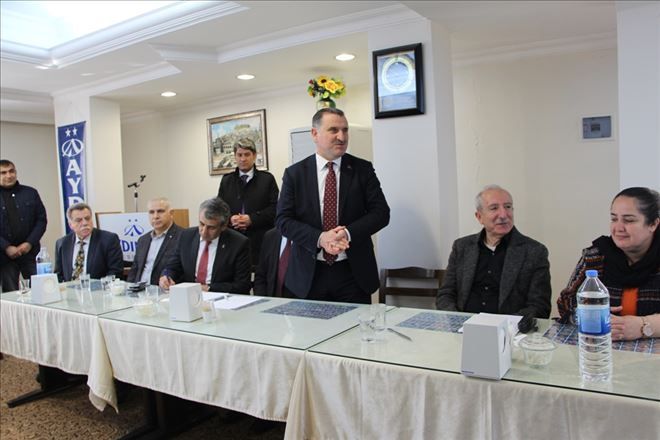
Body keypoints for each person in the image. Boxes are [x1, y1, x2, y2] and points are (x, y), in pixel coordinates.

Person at [276, 108, 390, 304]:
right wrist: (320, 238)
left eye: (345, 130)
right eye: (333, 130)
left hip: (353, 274)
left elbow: (381, 213)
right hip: (309, 275)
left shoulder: (362, 170)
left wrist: (347, 233)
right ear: (315, 134)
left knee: (356, 324)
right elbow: (282, 221)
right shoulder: (295, 174)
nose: (341, 137)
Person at [557, 187, 660, 340]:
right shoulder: (595, 256)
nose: (618, 228)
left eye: (629, 220)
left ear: (653, 224)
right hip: (602, 346)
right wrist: (587, 315)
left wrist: (643, 326)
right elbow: (565, 304)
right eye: (614, 219)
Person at [436, 185, 552, 318]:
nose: (503, 215)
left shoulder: (534, 251)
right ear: (479, 216)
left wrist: (505, 326)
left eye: (508, 207)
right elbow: (445, 294)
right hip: (463, 325)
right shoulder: (462, 247)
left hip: (509, 328)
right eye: (494, 208)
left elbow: (539, 307)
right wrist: (457, 320)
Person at [159, 197, 251, 294]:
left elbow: (242, 285)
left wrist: (208, 288)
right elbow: (173, 266)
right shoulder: (186, 236)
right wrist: (166, 276)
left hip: (220, 297)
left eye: (211, 228)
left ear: (223, 226)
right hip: (189, 296)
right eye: (202, 224)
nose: (204, 231)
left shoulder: (239, 243)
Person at [217, 138, 279, 268]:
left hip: (261, 240)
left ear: (254, 155)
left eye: (247, 154)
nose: (243, 159)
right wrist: (230, 219)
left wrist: (252, 219)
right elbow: (219, 210)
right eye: (239, 155)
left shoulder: (267, 179)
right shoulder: (226, 181)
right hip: (232, 240)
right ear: (235, 156)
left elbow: (275, 209)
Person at [0, 159, 47, 292]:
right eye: (3, 173)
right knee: (11, 294)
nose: (9, 175)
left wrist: (29, 243)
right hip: (4, 256)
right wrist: (6, 247)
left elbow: (41, 220)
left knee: (41, 290)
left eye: (11, 171)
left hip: (30, 252)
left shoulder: (30, 193)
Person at [54, 202, 123, 281]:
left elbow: (115, 272)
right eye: (79, 220)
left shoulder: (108, 240)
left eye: (87, 218)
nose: (85, 223)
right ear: (70, 225)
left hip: (99, 288)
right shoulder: (62, 243)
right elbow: (58, 275)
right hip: (69, 287)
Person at [127, 197, 183, 286]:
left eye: (160, 211)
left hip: (164, 291)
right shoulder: (143, 240)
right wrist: (129, 288)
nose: (155, 216)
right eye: (151, 212)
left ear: (171, 213)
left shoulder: (183, 237)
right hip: (139, 291)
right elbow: (135, 269)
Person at [253, 228, 290, 296]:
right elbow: (261, 275)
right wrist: (263, 299)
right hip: (270, 299)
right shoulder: (270, 235)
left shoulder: (308, 236)